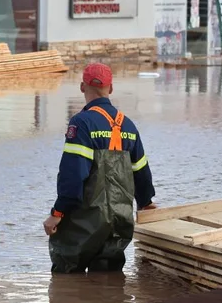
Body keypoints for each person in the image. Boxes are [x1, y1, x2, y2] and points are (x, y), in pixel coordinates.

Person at [44, 63, 155, 273]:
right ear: (110, 89)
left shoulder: (82, 123)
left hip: (85, 221)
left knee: (67, 280)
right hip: (120, 221)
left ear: (82, 87)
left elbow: (74, 173)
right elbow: (141, 171)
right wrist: (146, 203)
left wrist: (57, 212)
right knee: (109, 280)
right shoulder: (129, 126)